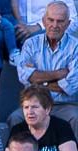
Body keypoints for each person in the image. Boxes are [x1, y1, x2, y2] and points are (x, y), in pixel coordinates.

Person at [13, 2, 78, 137]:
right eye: (50, 20)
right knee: (15, 118)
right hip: (34, 104)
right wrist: (59, 74)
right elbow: (24, 77)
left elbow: (71, 85)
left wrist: (38, 81)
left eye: (60, 21)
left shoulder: (75, 47)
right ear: (43, 20)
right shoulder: (30, 44)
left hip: (64, 105)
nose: (54, 25)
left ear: (68, 23)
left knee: (75, 118)